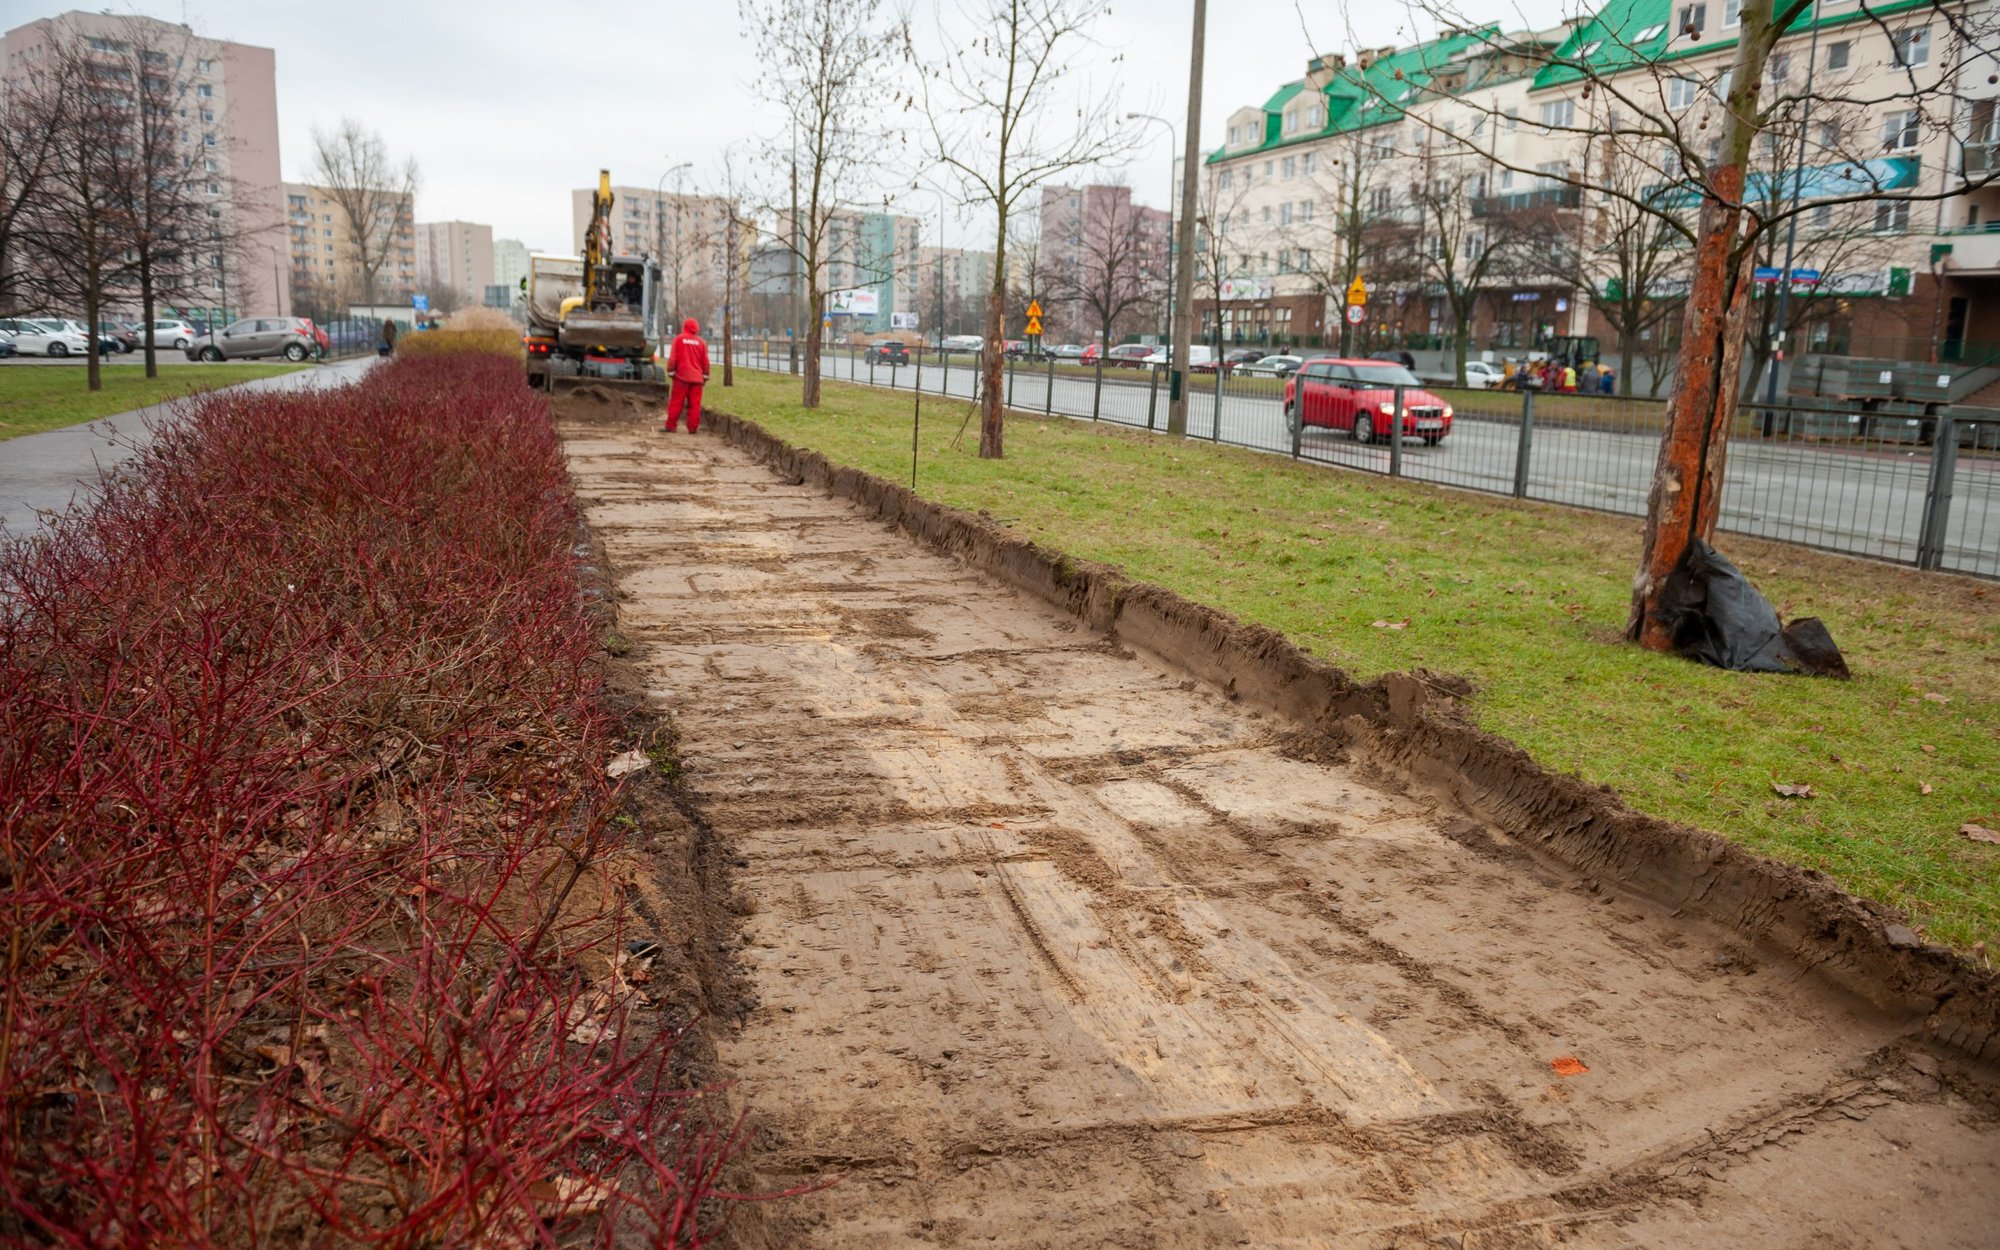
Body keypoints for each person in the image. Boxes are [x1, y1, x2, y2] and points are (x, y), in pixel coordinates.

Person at [663, 318, 711, 434]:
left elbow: (673, 358)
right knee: (695, 405)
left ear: (684, 327)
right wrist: (705, 376)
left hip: (681, 378)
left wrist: (671, 371)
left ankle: (671, 426)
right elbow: (705, 362)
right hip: (697, 379)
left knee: (676, 402)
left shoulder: (678, 339)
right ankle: (693, 428)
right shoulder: (701, 343)